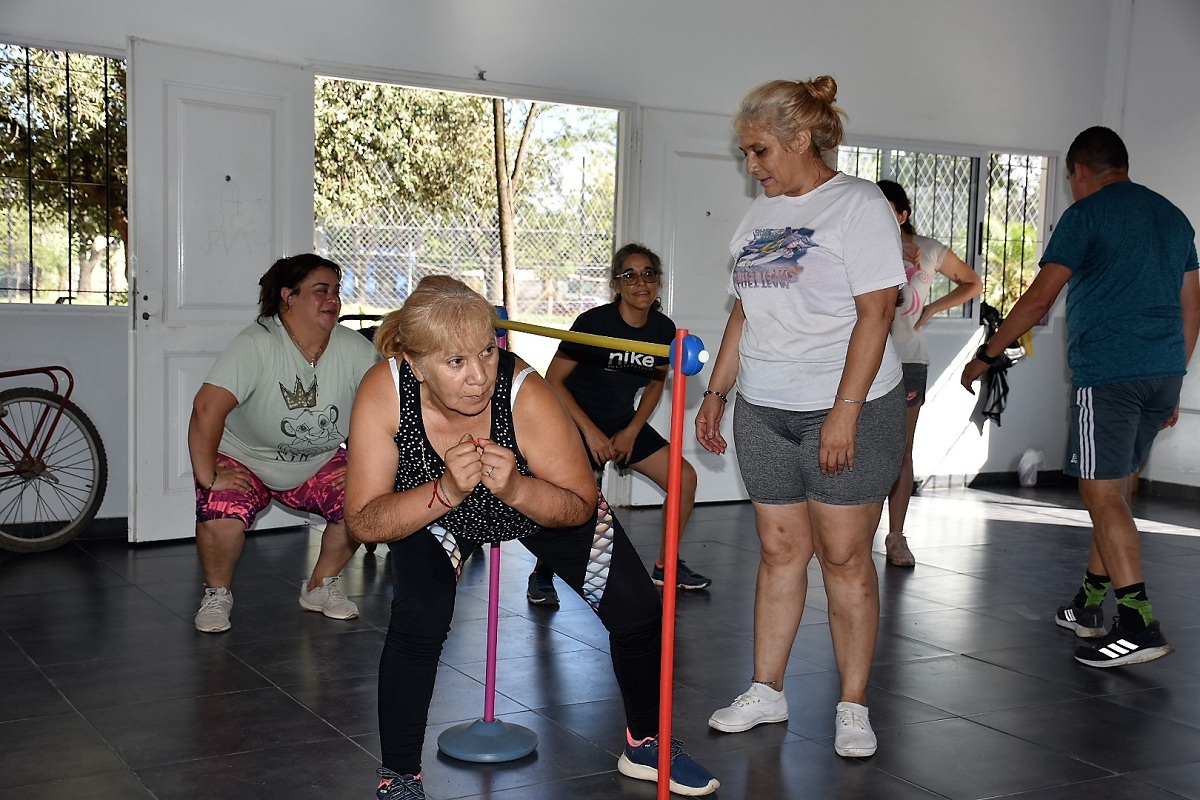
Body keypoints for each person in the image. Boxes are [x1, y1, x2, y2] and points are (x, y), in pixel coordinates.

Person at [344, 276, 719, 799]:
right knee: (418, 618)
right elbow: (363, 521)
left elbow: (580, 502)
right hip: (436, 509)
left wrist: (518, 488)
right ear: (414, 363)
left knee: (636, 608)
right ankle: (401, 777)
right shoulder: (383, 390)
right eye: (455, 362)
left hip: (534, 505)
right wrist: (447, 491)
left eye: (486, 353)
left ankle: (647, 743)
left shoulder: (523, 391)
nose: (478, 377)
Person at [695, 77, 907, 757]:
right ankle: (767, 690)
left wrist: (845, 410)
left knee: (844, 557)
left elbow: (877, 313)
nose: (751, 166)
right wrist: (717, 392)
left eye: (758, 152)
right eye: (745, 154)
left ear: (799, 139)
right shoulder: (760, 215)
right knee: (782, 552)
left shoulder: (858, 205)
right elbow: (742, 310)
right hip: (765, 407)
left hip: (847, 407)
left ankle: (852, 705)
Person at [962, 126, 1199, 667]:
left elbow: (1038, 300)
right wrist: (1174, 377)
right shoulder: (1172, 216)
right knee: (1114, 490)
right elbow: (1193, 307)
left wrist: (989, 355)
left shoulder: (1087, 215)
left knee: (1103, 496)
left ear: (1079, 172)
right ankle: (1089, 605)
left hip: (1108, 375)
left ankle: (1138, 621)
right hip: (1161, 372)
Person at [188, 254, 378, 633]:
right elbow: (206, 409)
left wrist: (360, 462)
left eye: (336, 291)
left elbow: (383, 408)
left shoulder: (354, 348)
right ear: (287, 297)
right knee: (222, 515)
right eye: (320, 290)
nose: (333, 300)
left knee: (365, 504)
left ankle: (320, 586)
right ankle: (217, 593)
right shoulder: (256, 343)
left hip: (318, 460)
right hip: (246, 459)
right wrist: (209, 475)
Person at [524, 244, 708, 607]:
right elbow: (553, 381)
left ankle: (666, 566)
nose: (641, 282)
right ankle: (543, 573)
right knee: (578, 499)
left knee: (684, 478)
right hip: (575, 421)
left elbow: (656, 383)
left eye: (648, 274)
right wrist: (590, 433)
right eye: (630, 276)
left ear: (657, 283)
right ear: (617, 284)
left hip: (622, 422)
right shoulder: (594, 324)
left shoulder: (663, 329)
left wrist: (632, 430)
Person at [875, 180, 982, 567]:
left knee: (900, 451)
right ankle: (854, 533)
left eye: (888, 212)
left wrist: (934, 309)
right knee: (862, 448)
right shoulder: (857, 245)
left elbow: (973, 282)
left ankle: (896, 535)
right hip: (862, 361)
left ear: (903, 215)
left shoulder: (930, 250)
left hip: (908, 360)